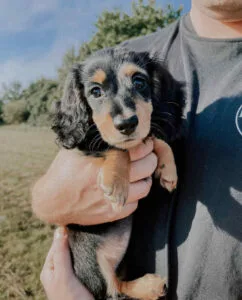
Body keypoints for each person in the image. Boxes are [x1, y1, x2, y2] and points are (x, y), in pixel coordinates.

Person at [33, 0, 242, 299]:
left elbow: (158, 138)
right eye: (96, 92)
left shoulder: (153, 70)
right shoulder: (131, 49)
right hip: (98, 261)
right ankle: (118, 287)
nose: (123, 112)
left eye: (139, 83)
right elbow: (52, 192)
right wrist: (49, 202)